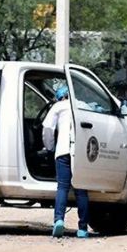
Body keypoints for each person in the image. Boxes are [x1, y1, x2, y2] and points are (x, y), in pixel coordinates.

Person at [41, 85, 91, 238]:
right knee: (81, 190)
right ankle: (82, 228)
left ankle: (59, 221)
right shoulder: (83, 106)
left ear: (60, 97)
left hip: (62, 151)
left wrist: (49, 147)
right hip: (80, 153)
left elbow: (47, 127)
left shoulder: (58, 107)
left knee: (62, 187)